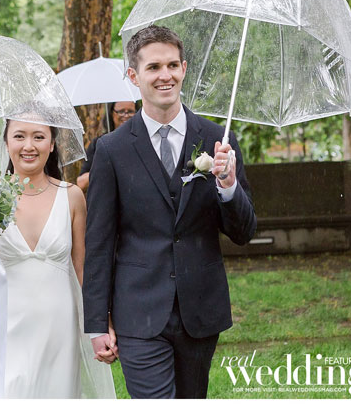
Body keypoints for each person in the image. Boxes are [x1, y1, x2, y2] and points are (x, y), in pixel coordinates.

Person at [83, 26, 257, 398]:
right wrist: (97, 323)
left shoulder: (218, 140)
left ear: (184, 68)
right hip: (137, 312)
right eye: (154, 67)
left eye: (173, 65)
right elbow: (98, 242)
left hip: (201, 309)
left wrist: (228, 186)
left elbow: (243, 232)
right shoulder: (110, 150)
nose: (166, 75)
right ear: (134, 76)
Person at [0, 119, 116, 398]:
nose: (29, 146)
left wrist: (101, 322)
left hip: (59, 325)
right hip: (5, 322)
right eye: (19, 136)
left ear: (52, 144)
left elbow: (82, 267)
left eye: (38, 137)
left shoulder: (71, 197)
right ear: (7, 142)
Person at [76, 100, 139, 191]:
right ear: (112, 113)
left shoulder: (143, 140)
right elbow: (81, 183)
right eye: (121, 111)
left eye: (130, 111)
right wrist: (105, 167)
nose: (126, 115)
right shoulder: (100, 143)